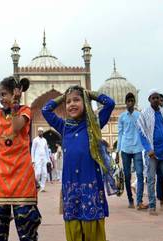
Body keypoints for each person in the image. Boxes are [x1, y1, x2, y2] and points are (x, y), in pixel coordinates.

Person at [42, 85, 114, 241]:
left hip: (90, 183)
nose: (71, 104)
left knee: (91, 225)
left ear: (85, 102)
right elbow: (45, 110)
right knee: (73, 227)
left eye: (76, 100)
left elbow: (110, 103)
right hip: (71, 185)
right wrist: (62, 96)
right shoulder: (64, 127)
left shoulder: (93, 125)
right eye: (68, 102)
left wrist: (89, 94)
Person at [0, 76, 41, 241]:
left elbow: (16, 127)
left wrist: (15, 105)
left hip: (21, 173)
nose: (1, 99)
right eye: (0, 95)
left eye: (4, 94)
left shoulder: (25, 110)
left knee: (26, 223)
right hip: (2, 174)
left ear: (15, 94)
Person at [117, 93, 148, 210]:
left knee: (140, 174)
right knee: (127, 175)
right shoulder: (122, 117)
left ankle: (139, 200)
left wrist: (146, 147)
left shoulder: (139, 115)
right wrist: (118, 150)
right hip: (125, 148)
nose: (130, 103)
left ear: (134, 102)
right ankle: (130, 199)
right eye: (128, 101)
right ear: (125, 102)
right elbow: (120, 134)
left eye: (132, 101)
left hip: (138, 148)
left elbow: (144, 132)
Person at [31, 127, 51, 192]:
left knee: (45, 173)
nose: (40, 132)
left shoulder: (45, 140)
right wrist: (33, 160)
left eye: (41, 131)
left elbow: (46, 151)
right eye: (39, 131)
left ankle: (42, 187)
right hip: (37, 159)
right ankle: (37, 184)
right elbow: (33, 150)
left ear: (42, 132)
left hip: (44, 159)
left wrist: (48, 160)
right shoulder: (35, 140)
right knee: (38, 173)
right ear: (38, 132)